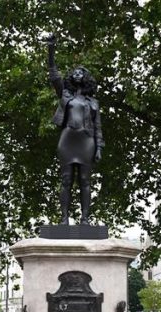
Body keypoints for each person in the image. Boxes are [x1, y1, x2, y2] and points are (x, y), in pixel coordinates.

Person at [45, 34, 104, 225]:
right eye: (75, 72)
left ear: (86, 78)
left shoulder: (93, 102)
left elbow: (98, 127)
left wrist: (99, 148)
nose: (77, 73)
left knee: (86, 181)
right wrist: (51, 49)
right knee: (66, 180)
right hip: (68, 140)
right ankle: (64, 219)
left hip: (87, 142)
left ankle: (85, 219)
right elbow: (53, 73)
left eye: (81, 72)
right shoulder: (65, 94)